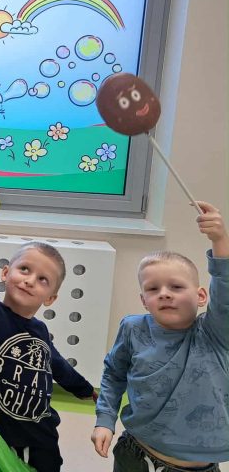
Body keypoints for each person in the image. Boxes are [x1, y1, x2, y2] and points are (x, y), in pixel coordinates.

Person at [92, 201, 229, 472]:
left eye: (176, 286)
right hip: (134, 453)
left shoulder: (214, 332)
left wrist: (220, 240)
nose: (164, 294)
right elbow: (114, 375)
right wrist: (105, 420)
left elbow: (226, 291)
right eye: (153, 289)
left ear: (201, 296)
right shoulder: (133, 328)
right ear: (144, 300)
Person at [0, 198, 96, 472]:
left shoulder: (40, 330)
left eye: (42, 280)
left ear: (51, 298)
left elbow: (57, 365)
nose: (30, 280)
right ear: (5, 273)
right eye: (24, 269)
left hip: (43, 434)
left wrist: (85, 390)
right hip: (3, 436)